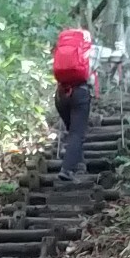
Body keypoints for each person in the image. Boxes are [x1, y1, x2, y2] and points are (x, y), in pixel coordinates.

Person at [51, 27, 94, 182]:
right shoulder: (91, 51)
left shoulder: (59, 50)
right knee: (77, 134)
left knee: (73, 131)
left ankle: (79, 163)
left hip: (60, 95)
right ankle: (67, 169)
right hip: (80, 93)